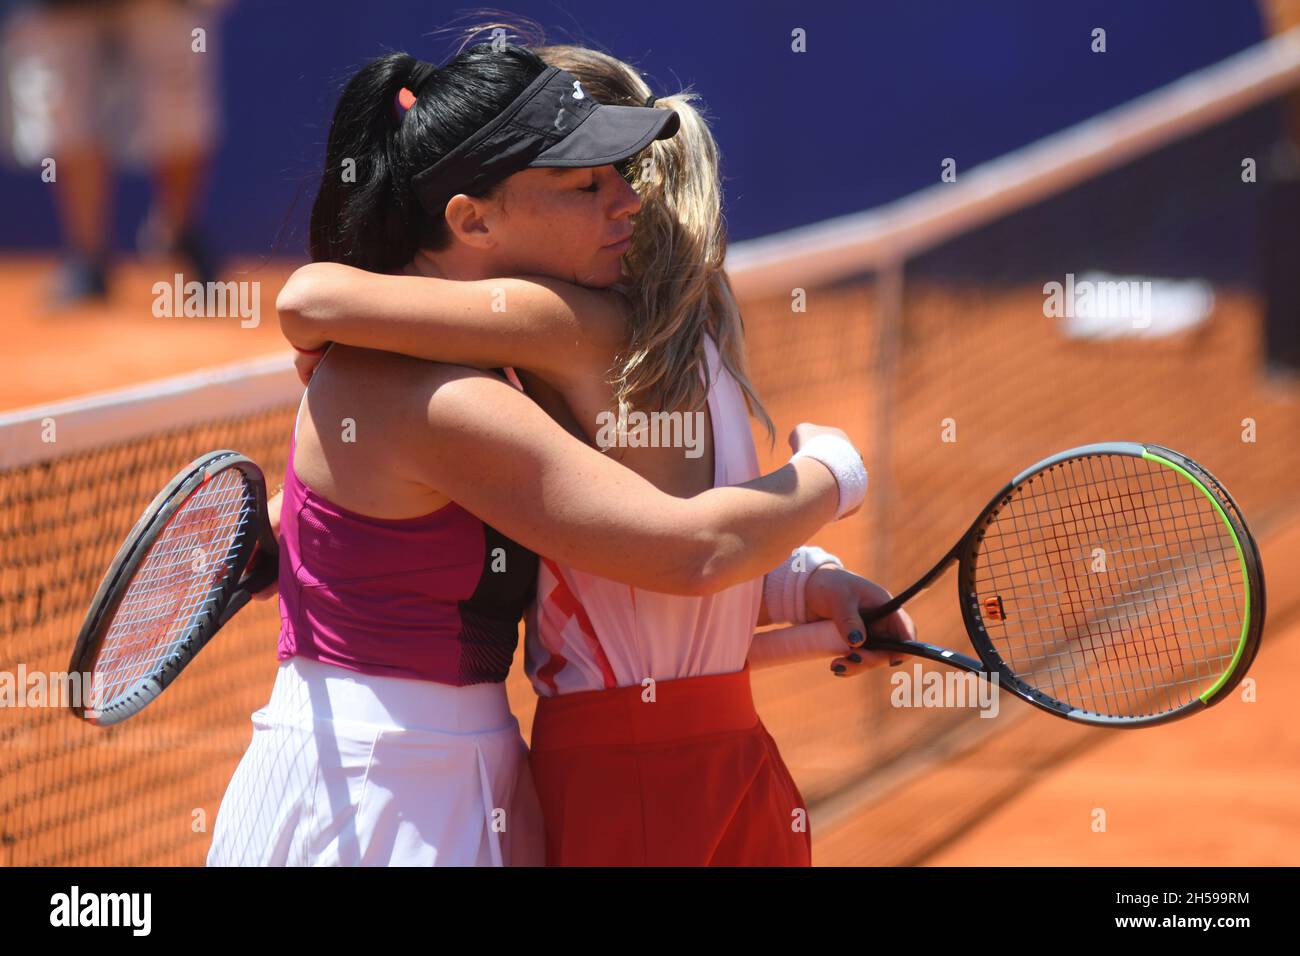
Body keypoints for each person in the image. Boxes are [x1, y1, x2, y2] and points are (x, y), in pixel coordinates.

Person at [208, 40, 876, 868]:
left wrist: (801, 585)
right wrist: (834, 469)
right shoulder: (446, 398)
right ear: (473, 219)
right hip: (376, 796)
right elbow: (692, 549)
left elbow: (605, 569)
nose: (629, 201)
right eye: (585, 184)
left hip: (459, 775)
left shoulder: (490, 375)